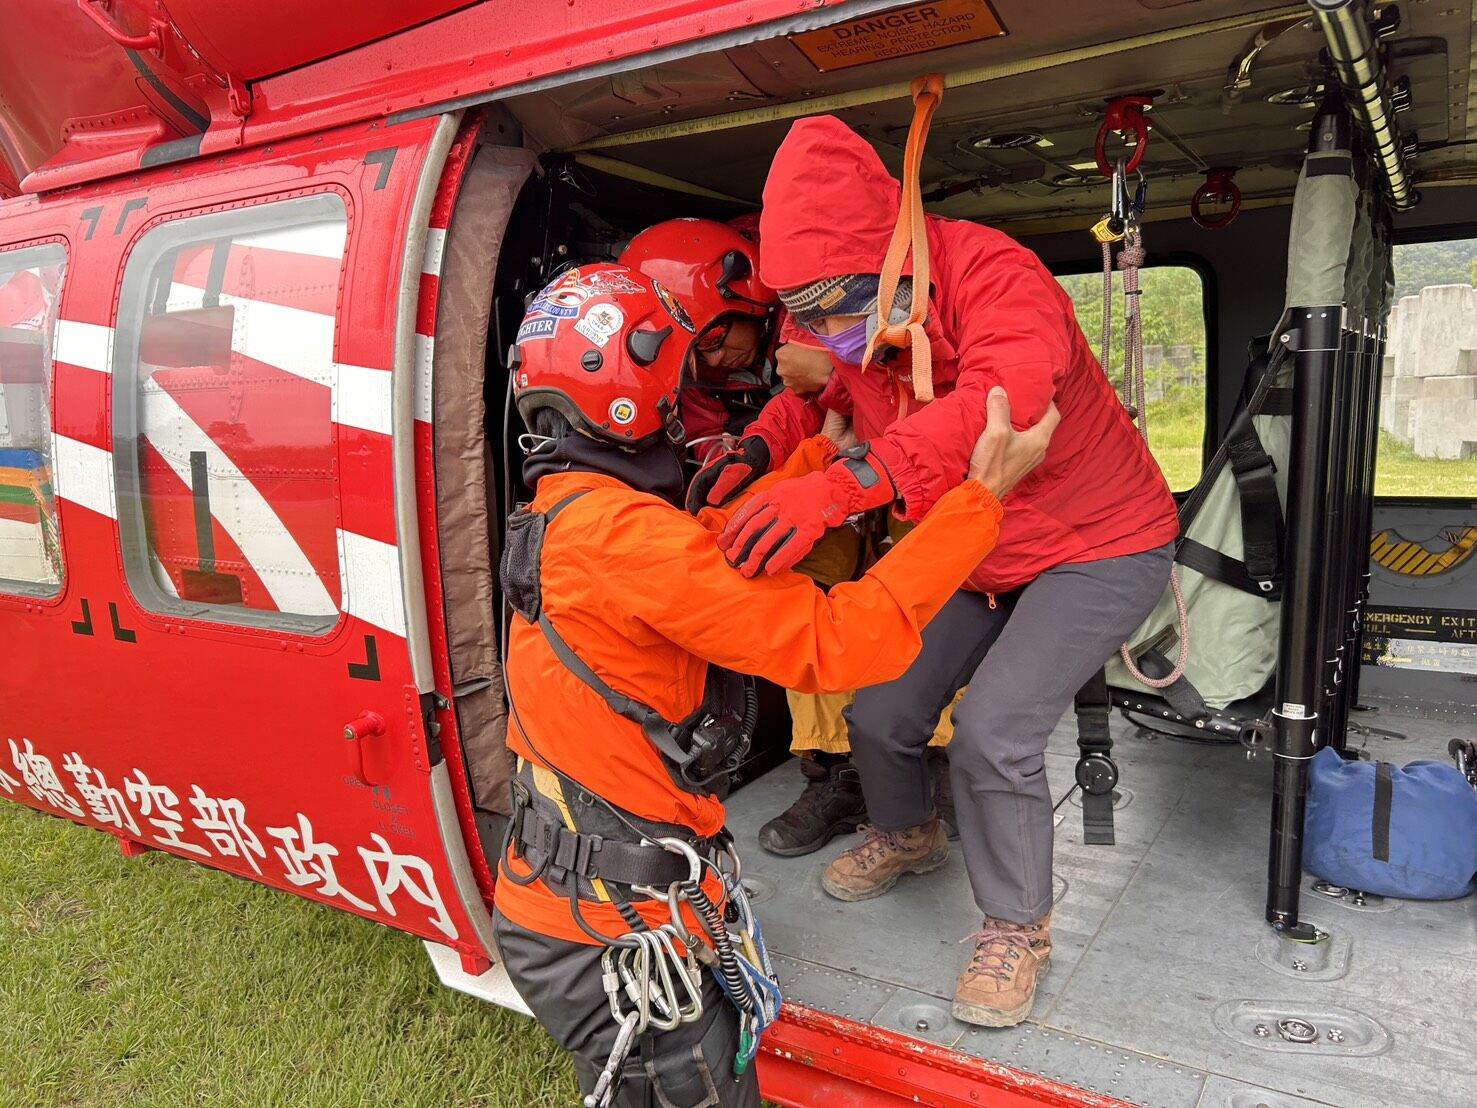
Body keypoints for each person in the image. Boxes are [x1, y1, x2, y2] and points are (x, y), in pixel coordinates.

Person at [494, 262, 1056, 1105]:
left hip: (593, 896)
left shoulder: (574, 513)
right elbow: (841, 642)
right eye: (677, 382)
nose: (686, 404)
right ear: (629, 391)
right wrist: (981, 499)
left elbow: (701, 551)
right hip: (612, 930)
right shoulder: (620, 542)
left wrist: (822, 452)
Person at [695, 116, 1180, 1029]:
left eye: (838, 303)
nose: (825, 329)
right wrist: (750, 452)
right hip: (979, 543)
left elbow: (1004, 403)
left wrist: (845, 489)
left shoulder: (996, 274)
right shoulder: (863, 322)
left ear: (891, 256)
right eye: (806, 310)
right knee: (877, 702)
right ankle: (910, 833)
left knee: (995, 727)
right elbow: (822, 399)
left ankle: (1015, 927)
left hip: (1099, 540)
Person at [624, 220, 961, 856]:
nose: (715, 360)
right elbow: (799, 402)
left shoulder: (852, 294)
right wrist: (757, 448)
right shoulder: (797, 331)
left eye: (715, 338)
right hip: (838, 480)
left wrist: (829, 371)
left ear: (746, 300)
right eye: (702, 350)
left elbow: (932, 379)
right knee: (797, 585)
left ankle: (934, 764)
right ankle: (836, 774)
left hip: (918, 471)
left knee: (932, 592)